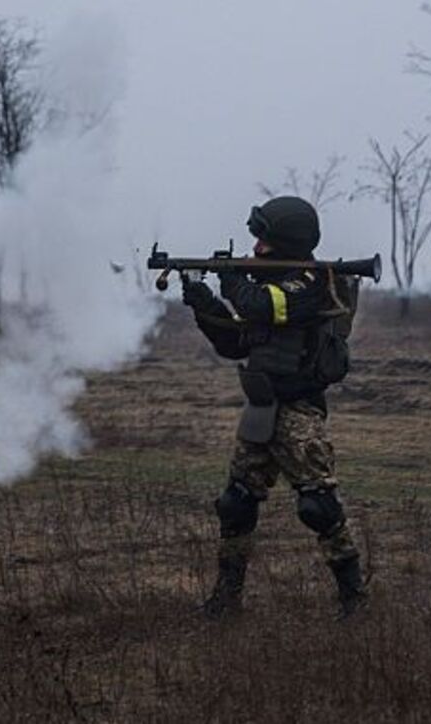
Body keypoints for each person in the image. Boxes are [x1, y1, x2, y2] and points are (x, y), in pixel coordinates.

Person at [179, 195, 368, 618]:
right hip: (261, 410)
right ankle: (227, 598)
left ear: (287, 241)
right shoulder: (273, 285)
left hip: (299, 412)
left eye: (263, 240)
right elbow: (234, 343)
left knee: (319, 507)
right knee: (236, 503)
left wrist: (230, 278)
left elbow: (260, 305)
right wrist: (203, 302)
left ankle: (354, 598)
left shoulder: (309, 284)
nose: (256, 247)